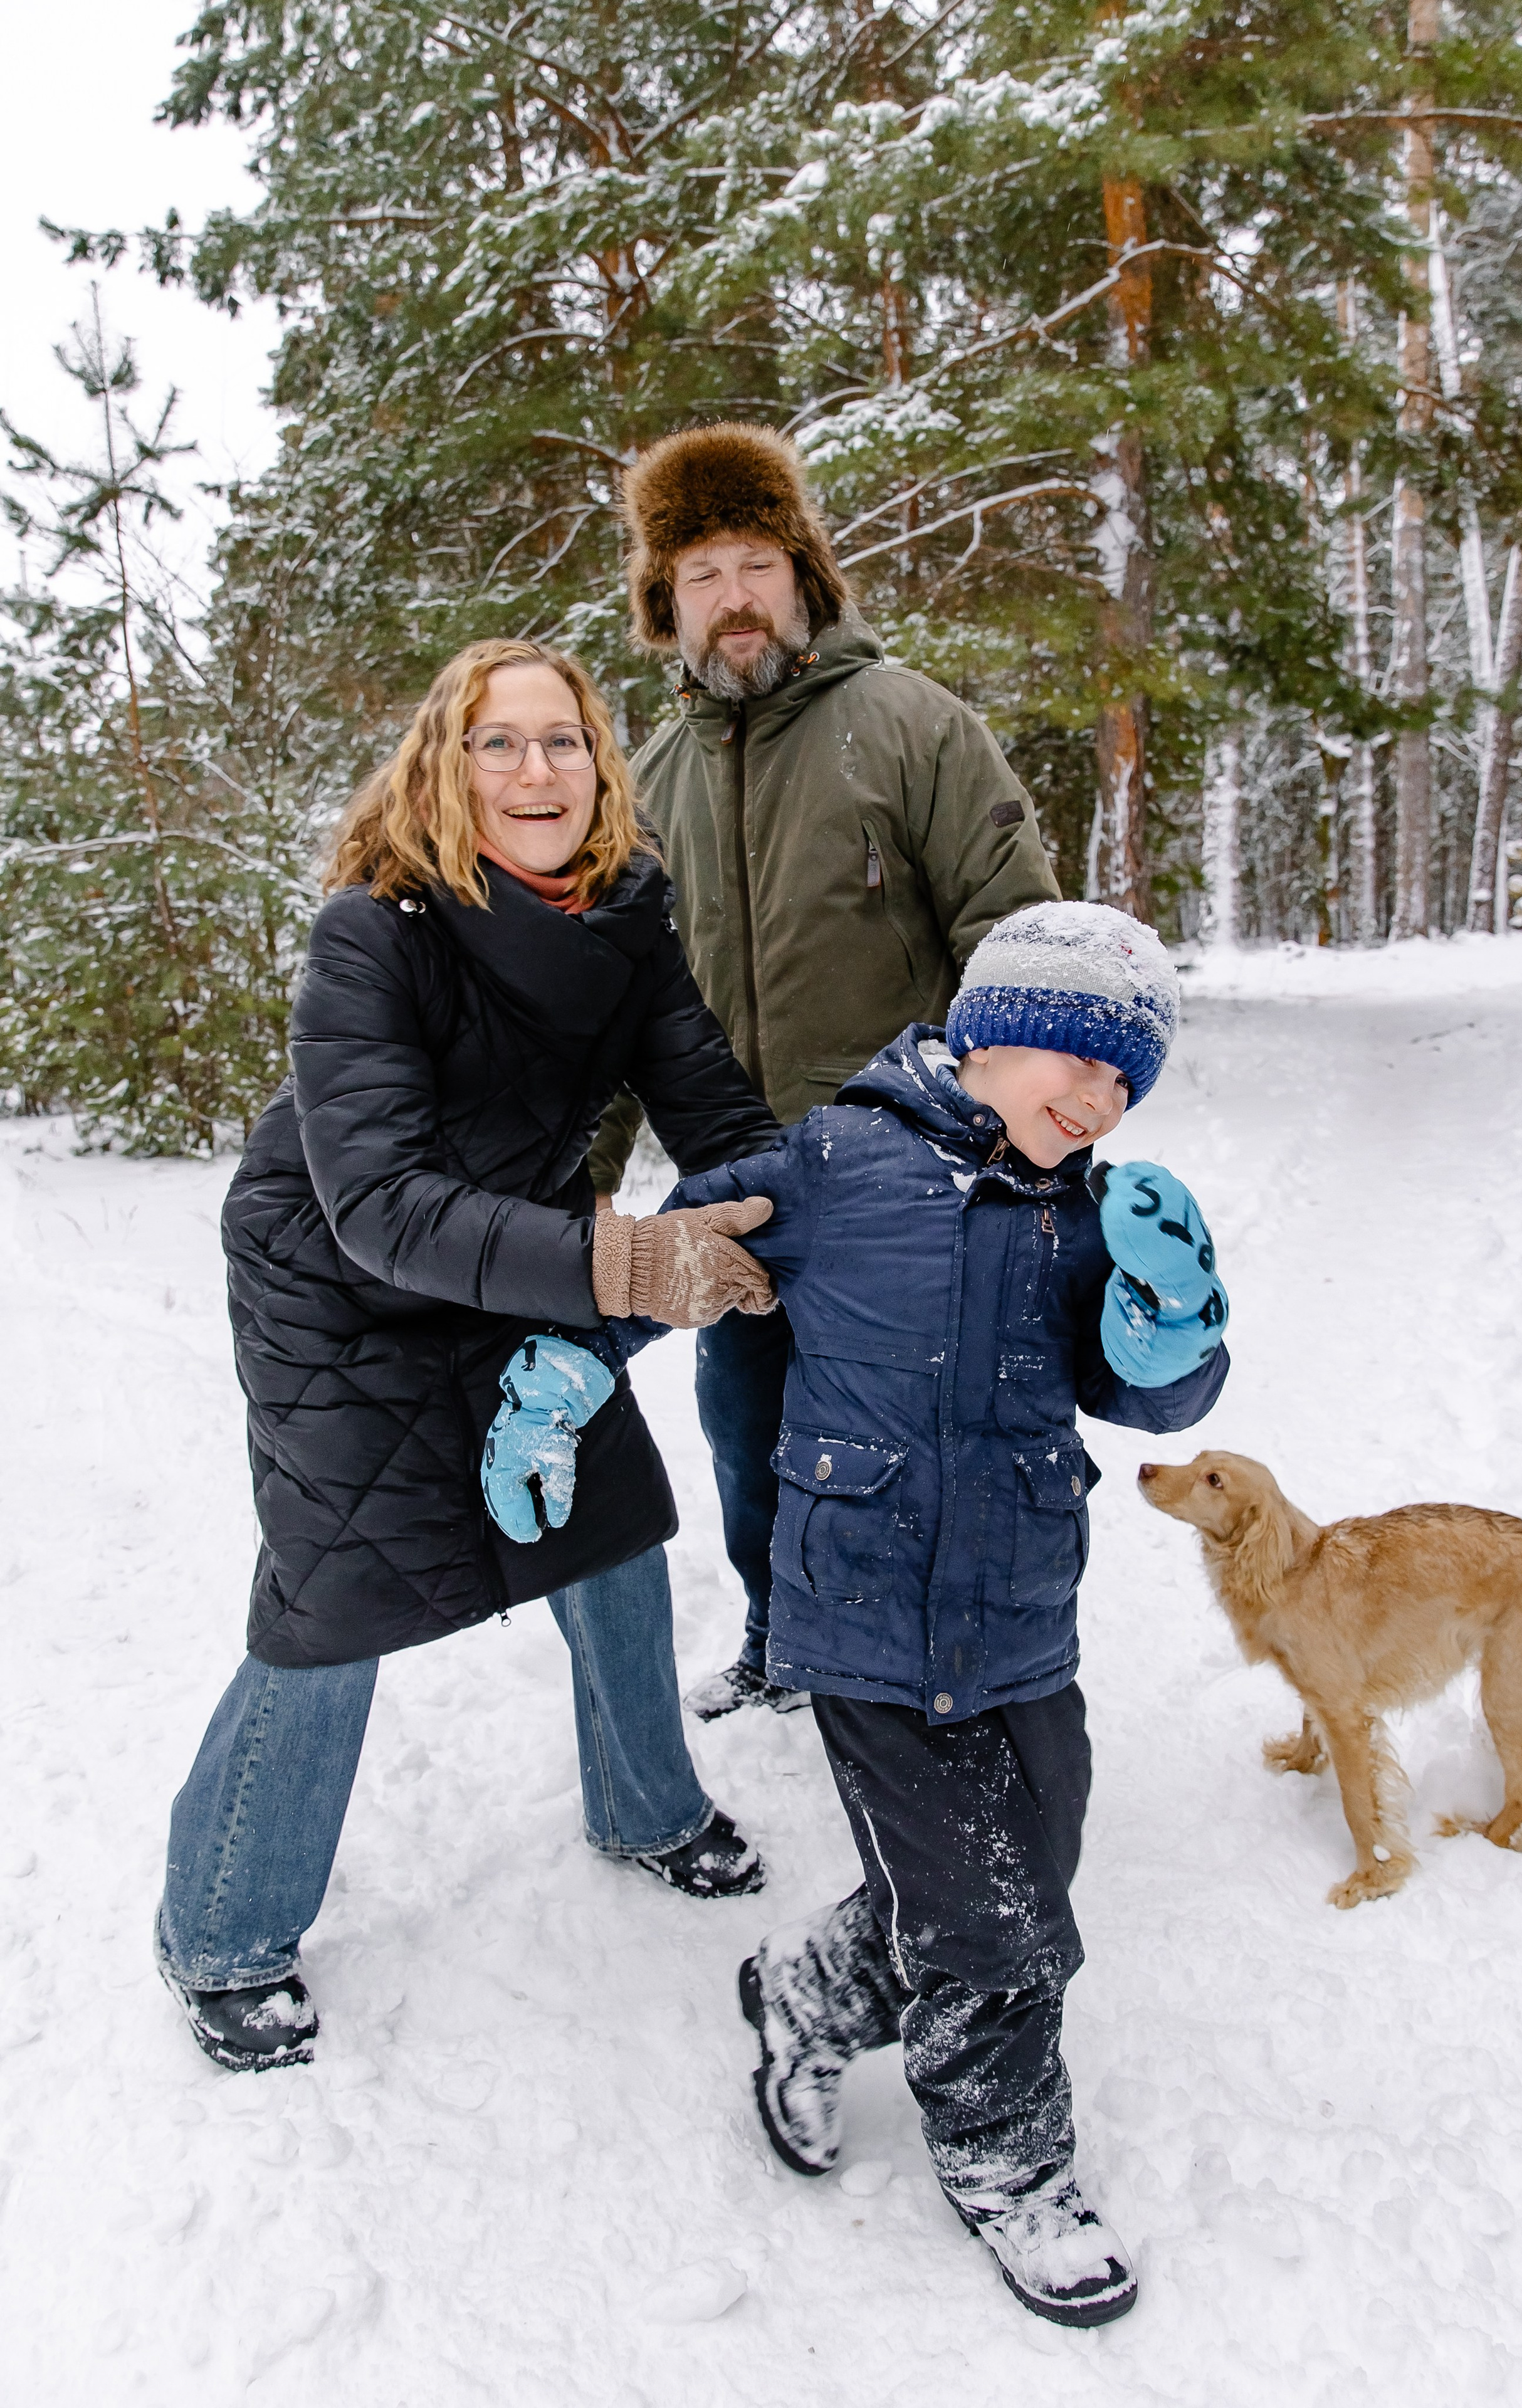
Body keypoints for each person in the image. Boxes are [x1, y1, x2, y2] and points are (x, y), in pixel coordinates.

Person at [157, 636, 782, 2073]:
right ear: (445, 763)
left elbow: (714, 1110)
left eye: (561, 740)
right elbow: (373, 1200)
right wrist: (623, 1261)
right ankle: (220, 1926)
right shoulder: (372, 931)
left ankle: (646, 1805)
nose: (534, 770)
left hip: (520, 1249)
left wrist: (805, 1200)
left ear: (600, 763)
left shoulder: (626, 919)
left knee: (608, 1518)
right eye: (498, 743)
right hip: (335, 1280)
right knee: (343, 1593)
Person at [651, 902, 1231, 2326]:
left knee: (1036, 1860)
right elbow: (674, 1244)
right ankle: (1009, 2165)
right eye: (1083, 1062)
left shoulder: (1084, 1210)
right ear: (988, 1033)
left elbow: (1144, 1395)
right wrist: (563, 1367)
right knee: (990, 1919)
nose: (1099, 1098)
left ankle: (811, 1984)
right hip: (862, 1622)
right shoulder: (836, 1165)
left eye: (1124, 1082)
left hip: (1022, 1610)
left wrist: (1173, 1317)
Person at [589, 421, 1063, 1721]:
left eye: (753, 562)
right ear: (663, 605)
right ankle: (780, 1639)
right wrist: (559, 1184)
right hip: (735, 1196)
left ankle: (919, 1679)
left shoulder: (910, 727)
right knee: (746, 1438)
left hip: (907, 1183)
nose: (731, 597)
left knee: (903, 1450)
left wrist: (1013, 1144)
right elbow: (611, 1005)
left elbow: (1015, 948)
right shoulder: (651, 780)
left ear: (803, 575)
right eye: (698, 574)